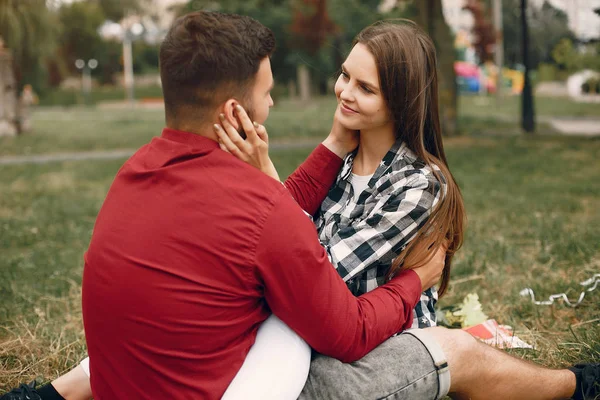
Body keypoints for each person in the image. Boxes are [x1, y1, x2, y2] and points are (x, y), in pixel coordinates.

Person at [2, 12, 598, 400]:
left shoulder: (419, 184)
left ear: (401, 101)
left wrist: (267, 181)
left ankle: (577, 387)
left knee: (459, 350)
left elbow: (298, 268)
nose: (342, 92)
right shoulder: (327, 164)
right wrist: (308, 162)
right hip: (304, 336)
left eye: (364, 88)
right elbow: (291, 266)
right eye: (344, 76)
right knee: (159, 334)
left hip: (354, 335)